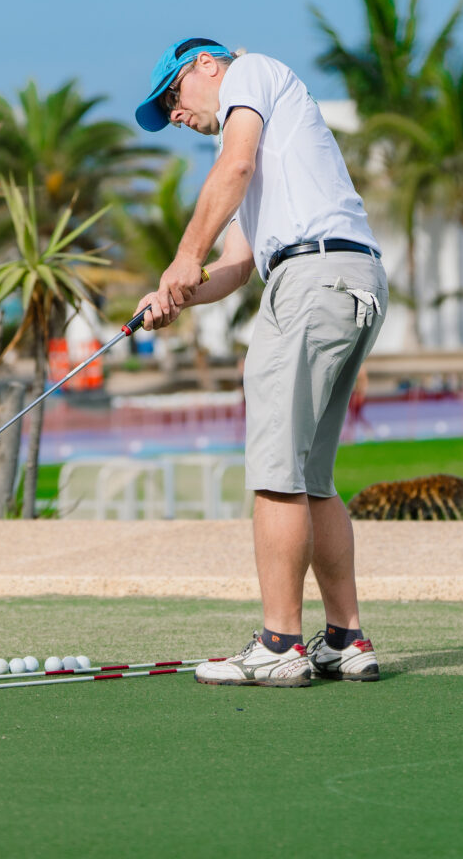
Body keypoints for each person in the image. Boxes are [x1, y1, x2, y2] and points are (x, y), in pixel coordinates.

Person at [134, 37, 386, 686]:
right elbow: (241, 267)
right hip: (352, 282)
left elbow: (234, 169)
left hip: (312, 283)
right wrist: (176, 296)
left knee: (276, 469)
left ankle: (279, 644)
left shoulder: (250, 74)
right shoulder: (272, 135)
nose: (177, 114)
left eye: (173, 97)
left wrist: (185, 252)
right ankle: (344, 639)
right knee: (311, 475)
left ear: (205, 66)